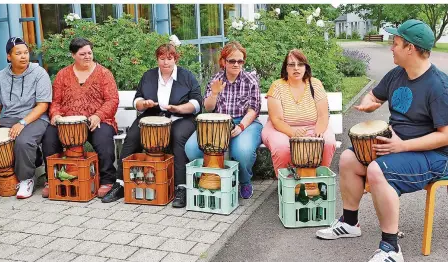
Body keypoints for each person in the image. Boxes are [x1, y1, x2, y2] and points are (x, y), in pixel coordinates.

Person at [316, 19, 448, 262]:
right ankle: (350, 223)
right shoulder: (397, 74)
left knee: (377, 170)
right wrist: (369, 104)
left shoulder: (438, 86)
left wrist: (403, 146)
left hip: (433, 157)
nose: (391, 47)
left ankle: (391, 248)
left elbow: (445, 135)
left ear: (411, 48)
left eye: (395, 43)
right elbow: (374, 95)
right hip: (395, 147)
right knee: (348, 158)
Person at [102, 43, 202, 208]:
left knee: (178, 137)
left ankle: (181, 187)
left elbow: (197, 103)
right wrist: (144, 104)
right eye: (162, 59)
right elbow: (137, 100)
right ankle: (120, 183)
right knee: (132, 137)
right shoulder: (148, 76)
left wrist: (179, 108)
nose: (165, 63)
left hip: (181, 117)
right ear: (157, 59)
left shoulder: (187, 76)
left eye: (169, 59)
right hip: (153, 116)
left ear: (175, 59)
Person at [42, 37, 119, 198]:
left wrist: (99, 115)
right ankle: (53, 179)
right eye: (82, 54)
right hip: (67, 123)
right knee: (49, 137)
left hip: (96, 121)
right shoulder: (63, 75)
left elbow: (112, 100)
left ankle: (107, 180)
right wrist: (55, 114)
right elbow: (55, 101)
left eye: (89, 53)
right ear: (73, 55)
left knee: (103, 139)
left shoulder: (104, 74)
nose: (87, 56)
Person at [184, 41, 262, 199]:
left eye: (240, 61)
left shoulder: (250, 80)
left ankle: (245, 181)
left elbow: (253, 110)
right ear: (223, 62)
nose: (236, 64)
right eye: (232, 61)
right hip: (217, 123)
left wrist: (240, 126)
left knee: (243, 151)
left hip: (246, 123)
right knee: (192, 148)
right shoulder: (216, 79)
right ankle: (213, 178)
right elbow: (208, 108)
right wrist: (214, 94)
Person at [0, 37, 52, 199]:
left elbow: (42, 106)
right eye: (18, 53)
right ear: (9, 57)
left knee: (23, 141)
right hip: (9, 117)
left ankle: (26, 178)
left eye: (26, 52)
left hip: (36, 118)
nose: (24, 56)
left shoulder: (39, 74)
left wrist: (22, 123)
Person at [262, 49, 336, 177]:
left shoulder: (315, 84)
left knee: (327, 143)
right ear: (286, 68)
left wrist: (318, 132)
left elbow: (323, 115)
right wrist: (294, 133)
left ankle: (318, 180)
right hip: (280, 129)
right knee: (282, 148)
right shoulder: (277, 86)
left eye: (300, 64)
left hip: (312, 126)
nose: (296, 68)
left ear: (305, 67)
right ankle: (288, 183)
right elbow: (277, 120)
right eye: (291, 65)